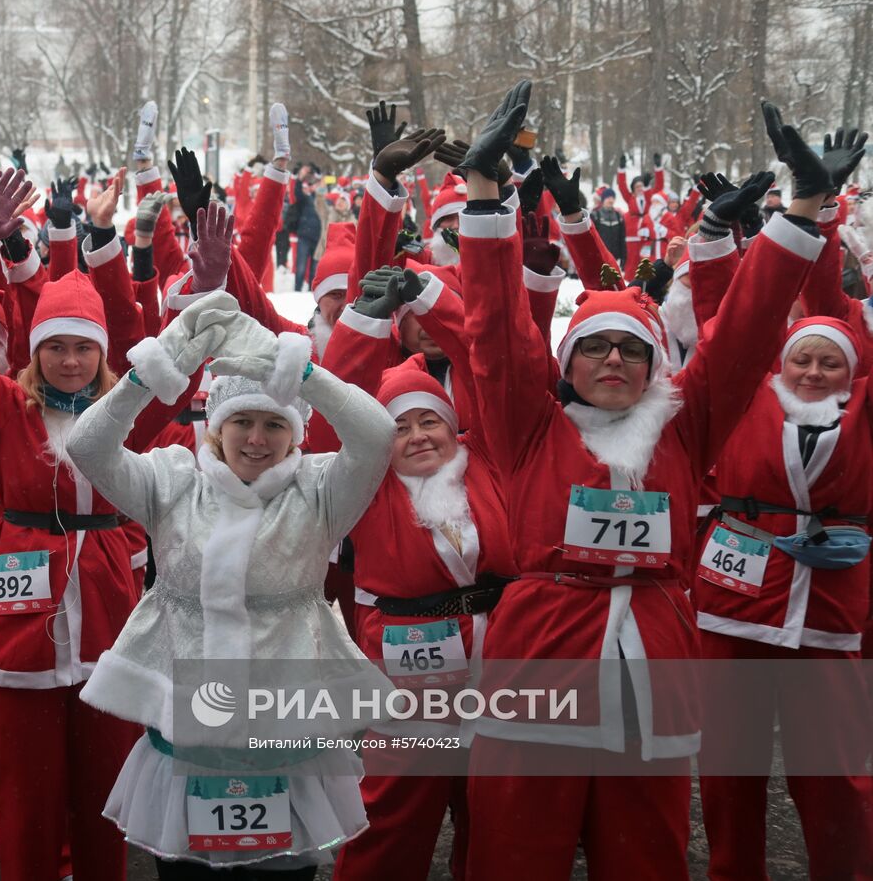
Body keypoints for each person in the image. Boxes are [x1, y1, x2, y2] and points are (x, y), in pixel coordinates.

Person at [457, 83, 839, 879]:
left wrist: (801, 212)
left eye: (632, 350)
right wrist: (486, 196)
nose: (613, 362)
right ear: (568, 363)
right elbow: (494, 331)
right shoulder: (532, 426)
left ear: (653, 364)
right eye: (595, 347)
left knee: (647, 855)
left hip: (651, 667)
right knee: (516, 853)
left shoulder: (682, 426)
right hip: (541, 665)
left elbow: (741, 333)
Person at [66, 206, 398, 876]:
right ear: (214, 427)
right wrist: (157, 369)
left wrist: (299, 372)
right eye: (240, 421)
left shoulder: (319, 486)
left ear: (295, 434)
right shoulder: (173, 479)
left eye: (272, 425)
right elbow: (88, 445)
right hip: (187, 735)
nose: (255, 439)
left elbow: (377, 434)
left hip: (287, 730)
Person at [0, 166, 142, 881]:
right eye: (56, 345)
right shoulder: (2, 407)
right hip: (14, 633)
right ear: (35, 350)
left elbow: (164, 352)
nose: (71, 359)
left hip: (108, 621)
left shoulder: (125, 411)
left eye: (84, 346)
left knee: (105, 799)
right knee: (25, 802)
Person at [327, 271, 518, 881]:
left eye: (428, 421)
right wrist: (361, 321)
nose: (417, 436)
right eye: (399, 427)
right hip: (409, 675)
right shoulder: (368, 485)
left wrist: (435, 301)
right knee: (390, 823)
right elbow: (340, 402)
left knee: (492, 823)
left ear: (451, 423)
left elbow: (485, 362)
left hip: (502, 668)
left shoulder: (487, 458)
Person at [693, 309, 873, 877]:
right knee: (727, 762)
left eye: (830, 363)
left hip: (827, 609)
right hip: (732, 606)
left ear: (853, 373)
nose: (813, 373)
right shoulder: (746, 397)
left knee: (834, 767)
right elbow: (730, 319)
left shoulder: (865, 417)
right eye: (803, 358)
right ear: (782, 362)